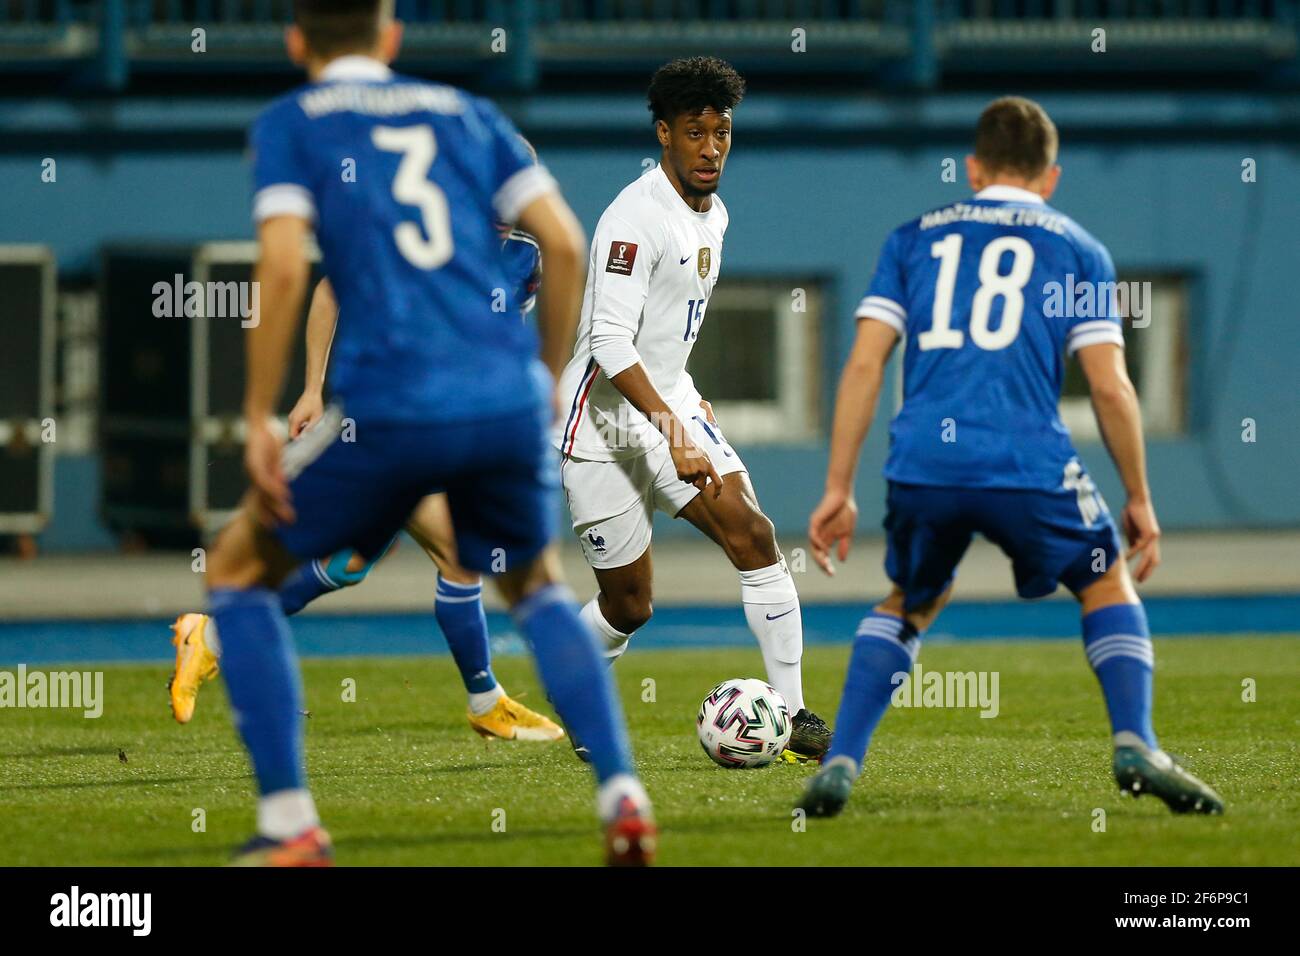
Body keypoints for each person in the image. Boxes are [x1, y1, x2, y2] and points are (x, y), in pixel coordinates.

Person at [205, 0, 654, 866]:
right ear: (393, 38)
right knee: (537, 587)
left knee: (233, 567)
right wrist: (540, 378)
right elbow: (564, 245)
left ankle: (292, 823)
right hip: (499, 405)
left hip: (386, 406)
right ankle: (624, 795)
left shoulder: (293, 123)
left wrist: (265, 413)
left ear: (296, 41)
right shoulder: (469, 115)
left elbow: (289, 263)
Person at [798, 96, 1222, 817]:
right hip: (1029, 464)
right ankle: (1135, 741)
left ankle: (840, 759)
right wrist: (1139, 496)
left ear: (972, 168)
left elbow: (864, 366)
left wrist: (837, 486)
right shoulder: (1077, 249)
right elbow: (1113, 387)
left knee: (912, 601)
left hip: (924, 464)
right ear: (1050, 176)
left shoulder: (912, 240)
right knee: (1105, 582)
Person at [553, 56, 830, 762]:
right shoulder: (633, 220)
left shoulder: (716, 214)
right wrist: (673, 429)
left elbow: (665, 327)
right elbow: (611, 343)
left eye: (722, 132)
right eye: (695, 132)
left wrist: (682, 394)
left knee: (754, 534)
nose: (711, 148)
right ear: (664, 134)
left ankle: (795, 717)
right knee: (630, 606)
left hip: (666, 400)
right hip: (604, 424)